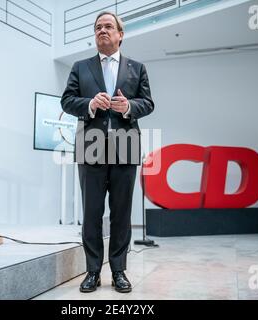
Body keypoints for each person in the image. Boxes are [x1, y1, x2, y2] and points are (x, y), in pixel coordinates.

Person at [61, 11, 154, 293]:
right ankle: (92, 272)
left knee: (121, 213)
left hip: (126, 146)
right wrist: (90, 104)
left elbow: (148, 103)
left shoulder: (137, 68)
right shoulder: (80, 67)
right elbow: (67, 101)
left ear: (120, 34)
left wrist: (128, 107)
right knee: (92, 212)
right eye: (98, 27)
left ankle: (118, 271)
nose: (102, 30)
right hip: (91, 146)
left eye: (108, 26)